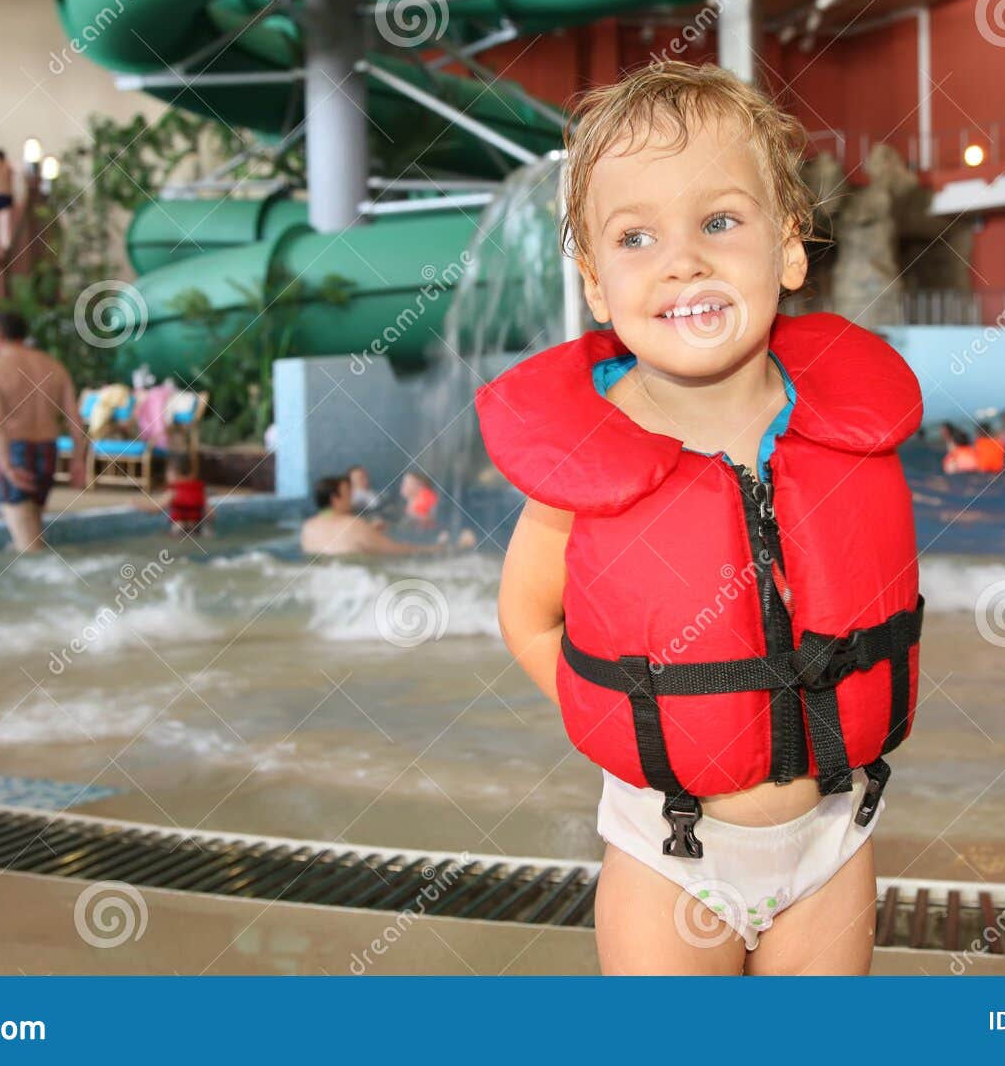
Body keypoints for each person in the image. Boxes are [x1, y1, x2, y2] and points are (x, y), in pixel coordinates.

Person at [476, 60, 923, 976]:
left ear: (790, 246)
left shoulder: (840, 433)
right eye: (636, 237)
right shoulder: (589, 459)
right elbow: (528, 614)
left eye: (720, 221)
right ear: (597, 285)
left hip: (832, 839)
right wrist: (620, 707)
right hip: (667, 852)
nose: (684, 259)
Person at [0, 310, 89, 552]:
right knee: (31, 532)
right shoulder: (54, 366)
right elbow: (75, 419)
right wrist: (78, 461)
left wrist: (6, 466)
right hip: (48, 450)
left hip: (15, 451)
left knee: (29, 547)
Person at [300, 474, 471, 556]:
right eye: (347, 494)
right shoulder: (353, 525)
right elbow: (400, 551)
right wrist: (445, 547)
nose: (352, 499)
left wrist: (368, 531)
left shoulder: (308, 527)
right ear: (335, 499)